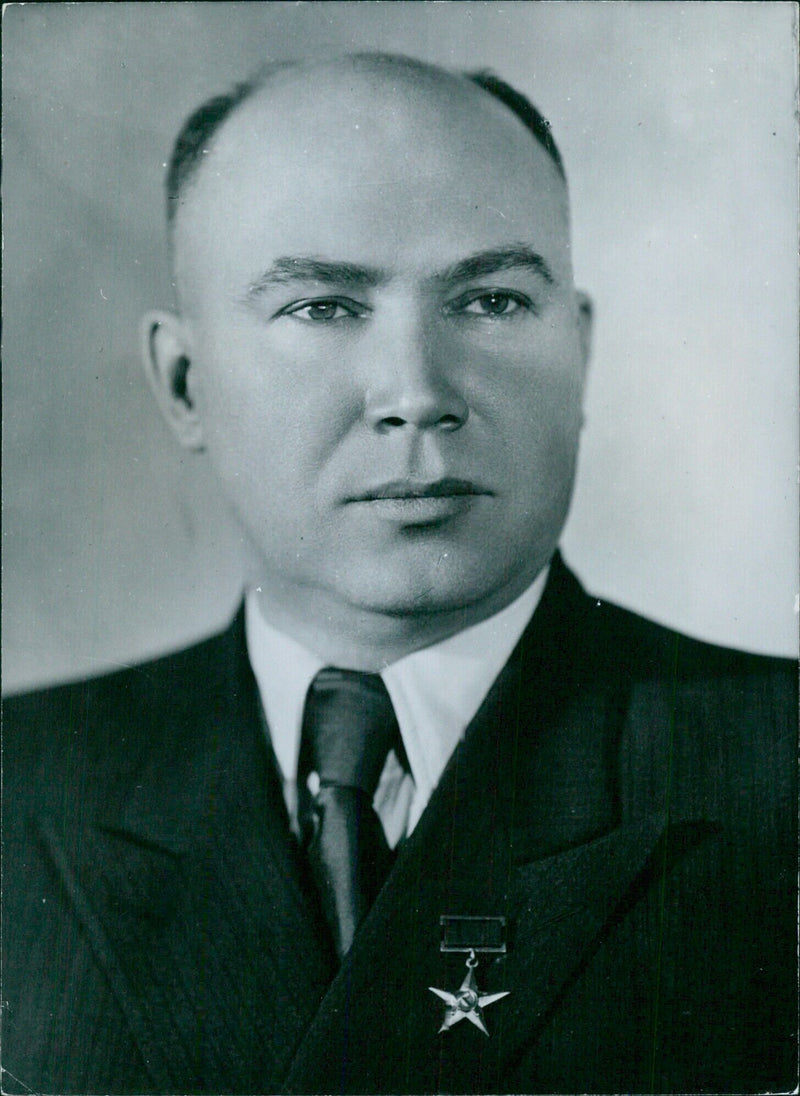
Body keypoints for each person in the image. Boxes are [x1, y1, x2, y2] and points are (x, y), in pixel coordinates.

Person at [2, 53, 795, 1095]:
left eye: (493, 301)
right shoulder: (21, 785)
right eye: (323, 307)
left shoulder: (775, 769)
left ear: (580, 353)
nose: (416, 394)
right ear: (185, 383)